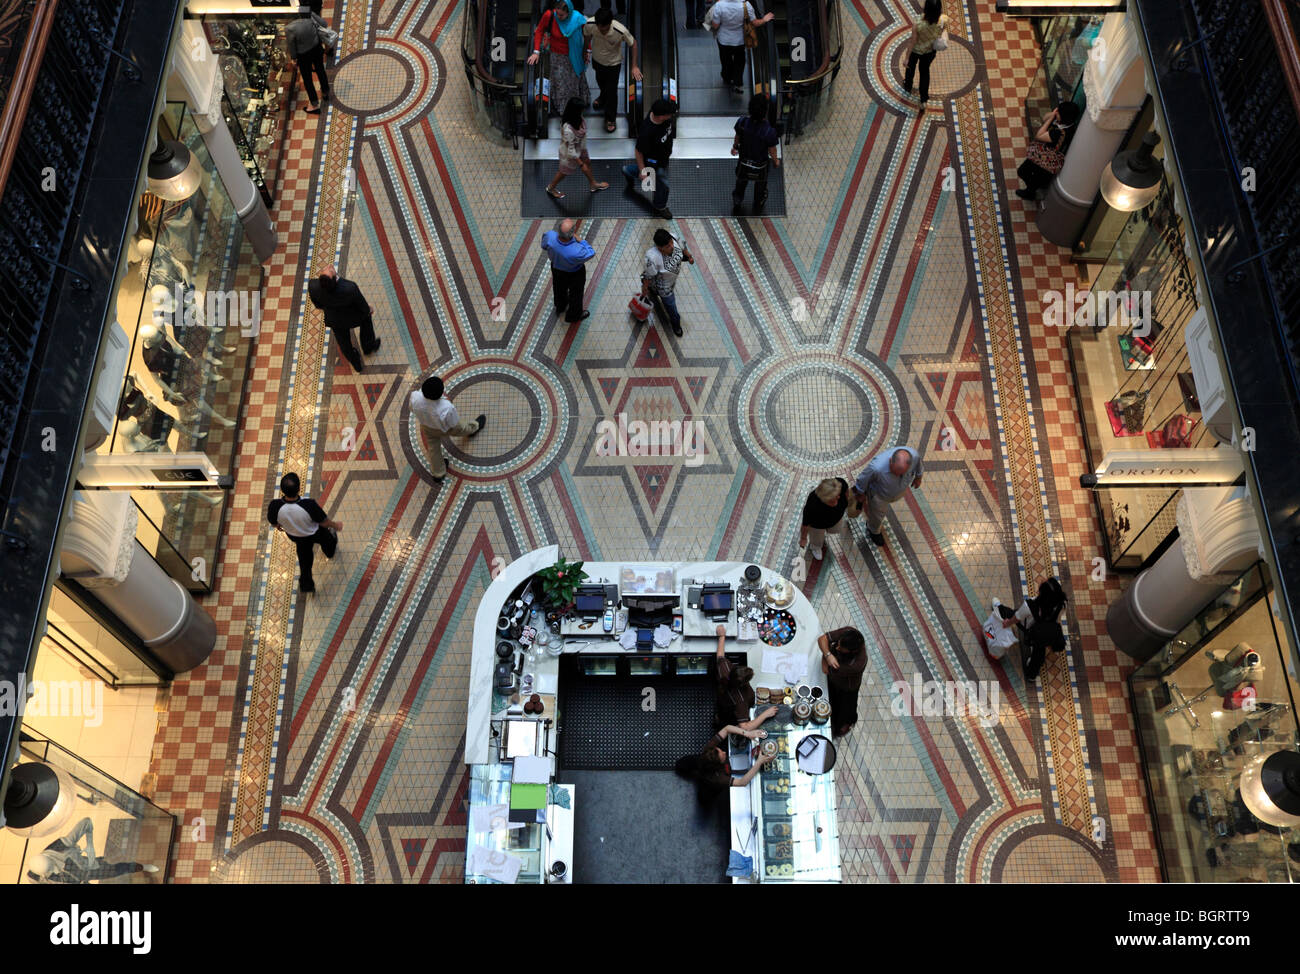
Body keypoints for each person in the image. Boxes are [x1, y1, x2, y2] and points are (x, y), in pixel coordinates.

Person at [267, 473, 341, 594]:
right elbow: (323, 522)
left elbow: (273, 522)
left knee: (305, 562)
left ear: (282, 490)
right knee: (328, 540)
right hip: (315, 532)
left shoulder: (275, 506)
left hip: (297, 537)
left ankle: (306, 586)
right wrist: (335, 525)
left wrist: (279, 526)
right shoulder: (308, 504)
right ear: (299, 488)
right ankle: (329, 552)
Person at [26, 818, 160, 884]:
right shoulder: (34, 876)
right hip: (77, 881)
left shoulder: (60, 846)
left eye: (53, 866)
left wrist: (90, 844)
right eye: (49, 871)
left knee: (117, 870)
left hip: (89, 868)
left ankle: (142, 867)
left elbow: (87, 822)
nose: (55, 870)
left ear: (51, 858)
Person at [410, 375, 486, 482]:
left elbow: (412, 408)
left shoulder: (415, 397)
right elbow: (454, 423)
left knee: (433, 449)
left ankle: (438, 473)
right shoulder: (446, 407)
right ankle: (475, 427)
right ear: (441, 393)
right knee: (463, 427)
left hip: (427, 427)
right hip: (445, 428)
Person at [675, 725, 774, 804]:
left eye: (721, 750)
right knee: (707, 795)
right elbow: (742, 782)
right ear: (718, 765)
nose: (725, 752)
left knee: (688, 762)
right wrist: (759, 762)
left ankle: (681, 765)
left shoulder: (709, 750)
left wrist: (747, 733)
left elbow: (727, 729)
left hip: (699, 761)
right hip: (709, 787)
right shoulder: (717, 778)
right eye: (722, 754)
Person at [307, 266, 380, 373]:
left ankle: (356, 363)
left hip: (335, 320)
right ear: (335, 280)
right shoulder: (349, 287)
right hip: (353, 317)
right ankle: (368, 347)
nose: (330, 266)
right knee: (366, 319)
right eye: (331, 270)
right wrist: (369, 309)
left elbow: (318, 305)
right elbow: (363, 307)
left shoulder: (313, 286)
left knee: (344, 342)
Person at [527, 0, 590, 117]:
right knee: (561, 84)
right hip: (557, 56)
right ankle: (564, 109)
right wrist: (536, 52)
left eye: (561, 15)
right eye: (557, 13)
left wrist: (587, 50)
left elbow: (586, 34)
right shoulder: (550, 15)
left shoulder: (577, 18)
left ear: (569, 13)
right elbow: (539, 30)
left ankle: (578, 103)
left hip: (575, 56)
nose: (558, 16)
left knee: (574, 81)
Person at [583, 8, 641, 133]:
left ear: (610, 23)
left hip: (613, 64)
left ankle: (610, 118)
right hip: (597, 60)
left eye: (604, 29)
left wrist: (634, 66)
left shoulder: (620, 30)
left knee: (612, 91)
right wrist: (586, 50)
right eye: (600, 28)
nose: (602, 31)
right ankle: (603, 97)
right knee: (600, 82)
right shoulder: (591, 24)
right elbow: (587, 36)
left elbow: (634, 44)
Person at [851, 446, 923, 547]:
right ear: (890, 461)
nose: (898, 476)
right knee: (877, 515)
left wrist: (918, 477)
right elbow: (862, 480)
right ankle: (873, 530)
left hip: (896, 493)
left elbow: (918, 466)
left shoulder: (914, 456)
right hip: (879, 496)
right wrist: (860, 493)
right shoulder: (876, 467)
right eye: (895, 473)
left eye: (902, 474)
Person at [997, 577, 1067, 680]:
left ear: (1042, 594)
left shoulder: (1029, 606)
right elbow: (1057, 620)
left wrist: (1007, 623)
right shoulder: (1061, 605)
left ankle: (999, 608)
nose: (1041, 581)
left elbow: (1016, 618)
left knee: (1011, 613)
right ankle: (1031, 675)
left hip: (1031, 630)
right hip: (1045, 633)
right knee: (1038, 653)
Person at [713, 623, 779, 729]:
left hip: (722, 699)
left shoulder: (724, 668)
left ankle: (718, 718)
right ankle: (721, 723)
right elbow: (744, 727)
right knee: (727, 718)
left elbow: (720, 656)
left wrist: (722, 636)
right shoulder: (741, 700)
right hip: (732, 709)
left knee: (722, 710)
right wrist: (766, 714)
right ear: (744, 683)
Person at [623, 98, 677, 218]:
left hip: (663, 157)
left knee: (655, 178)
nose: (671, 116)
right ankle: (660, 206)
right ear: (661, 116)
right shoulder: (647, 131)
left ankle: (627, 170)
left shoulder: (661, 115)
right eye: (669, 115)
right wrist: (642, 170)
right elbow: (638, 150)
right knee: (663, 184)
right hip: (654, 161)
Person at [1015, 101, 1081, 201]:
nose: (1056, 112)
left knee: (1023, 172)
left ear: (1063, 116)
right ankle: (1032, 188)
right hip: (1043, 155)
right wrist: (1054, 114)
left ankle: (1030, 192)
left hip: (1044, 159)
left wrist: (1052, 118)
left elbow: (1039, 135)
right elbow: (1044, 117)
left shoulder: (1060, 133)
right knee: (1029, 174)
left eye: (1058, 112)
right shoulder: (1066, 123)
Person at [546, 99, 608, 199]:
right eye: (581, 110)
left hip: (580, 147)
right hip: (569, 155)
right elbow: (571, 150)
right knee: (563, 172)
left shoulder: (578, 118)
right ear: (575, 111)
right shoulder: (568, 129)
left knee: (588, 162)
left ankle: (593, 184)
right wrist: (581, 164)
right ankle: (551, 188)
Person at [709, 0, 774, 93]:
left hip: (723, 40)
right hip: (740, 41)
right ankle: (738, 83)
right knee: (739, 61)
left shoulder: (719, 5)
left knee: (725, 60)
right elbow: (754, 23)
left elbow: (715, 25)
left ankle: (727, 77)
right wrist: (764, 19)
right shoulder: (745, 5)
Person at [731, 93, 781, 213]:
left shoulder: (742, 123)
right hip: (760, 165)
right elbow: (772, 149)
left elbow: (737, 136)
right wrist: (775, 161)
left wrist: (735, 147)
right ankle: (758, 202)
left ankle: (737, 199)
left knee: (741, 181)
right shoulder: (769, 131)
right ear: (765, 112)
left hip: (744, 161)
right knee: (761, 184)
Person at [540, 217, 596, 324]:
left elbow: (544, 245)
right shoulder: (576, 251)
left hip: (557, 268)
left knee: (558, 287)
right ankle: (573, 316)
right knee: (576, 294)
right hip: (575, 273)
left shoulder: (550, 236)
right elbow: (591, 252)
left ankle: (560, 306)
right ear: (572, 234)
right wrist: (581, 240)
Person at [640, 227, 693, 337]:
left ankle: (653, 292)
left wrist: (689, 256)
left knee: (658, 294)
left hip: (672, 280)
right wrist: (645, 288)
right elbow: (649, 275)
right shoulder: (652, 257)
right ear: (659, 248)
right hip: (664, 287)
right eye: (667, 246)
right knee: (671, 307)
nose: (672, 247)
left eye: (671, 243)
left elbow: (683, 247)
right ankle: (676, 324)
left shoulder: (673, 237)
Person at [818, 626, 867, 738]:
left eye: (842, 648)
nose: (838, 648)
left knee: (844, 709)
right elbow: (822, 639)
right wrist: (828, 655)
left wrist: (826, 652)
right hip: (833, 678)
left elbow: (825, 669)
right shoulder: (849, 632)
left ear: (852, 651)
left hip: (847, 687)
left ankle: (841, 727)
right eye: (838, 644)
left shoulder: (855, 664)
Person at [902, 0, 948, 114]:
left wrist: (906, 57)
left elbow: (912, 42)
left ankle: (908, 84)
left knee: (910, 68)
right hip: (930, 52)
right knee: (924, 72)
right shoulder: (943, 19)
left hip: (916, 51)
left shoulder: (918, 24)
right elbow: (942, 30)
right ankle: (923, 100)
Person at [286, 5, 331, 114]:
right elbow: (324, 24)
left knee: (307, 79)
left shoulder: (290, 28)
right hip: (316, 49)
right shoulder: (311, 18)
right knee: (320, 70)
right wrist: (313, 15)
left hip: (303, 55)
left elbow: (291, 45)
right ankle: (325, 92)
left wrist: (294, 58)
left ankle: (314, 104)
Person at [799, 476, 853, 561]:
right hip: (818, 525)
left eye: (838, 495)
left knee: (836, 529)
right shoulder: (813, 505)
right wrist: (803, 538)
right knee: (817, 536)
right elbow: (805, 524)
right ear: (824, 499)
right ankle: (815, 547)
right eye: (833, 499)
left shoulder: (839, 485)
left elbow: (846, 492)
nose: (838, 498)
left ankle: (825, 532)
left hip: (835, 520)